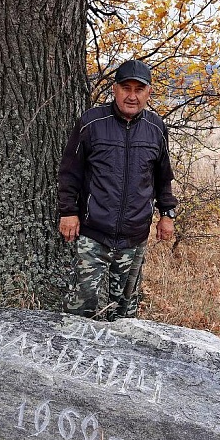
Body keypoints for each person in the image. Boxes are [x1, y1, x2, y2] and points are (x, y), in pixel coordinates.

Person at [57, 59, 178, 321]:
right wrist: (68, 211)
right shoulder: (91, 123)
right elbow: (70, 172)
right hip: (93, 234)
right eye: (126, 88)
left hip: (134, 237)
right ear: (115, 89)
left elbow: (162, 177)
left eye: (139, 89)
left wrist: (167, 215)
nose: (131, 96)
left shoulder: (156, 128)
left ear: (148, 92)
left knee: (124, 313)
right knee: (80, 310)